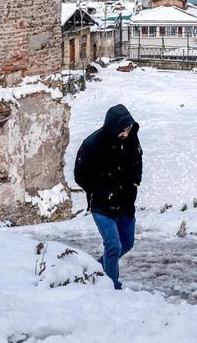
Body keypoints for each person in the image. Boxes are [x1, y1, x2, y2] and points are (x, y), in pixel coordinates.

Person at [74, 103, 142, 290]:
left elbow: (138, 161)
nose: (126, 133)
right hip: (102, 206)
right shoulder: (92, 145)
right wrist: (100, 190)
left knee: (127, 244)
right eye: (122, 130)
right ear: (112, 128)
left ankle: (98, 267)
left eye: (128, 129)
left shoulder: (132, 139)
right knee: (113, 247)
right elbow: (80, 175)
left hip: (126, 203)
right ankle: (112, 288)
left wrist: (136, 182)